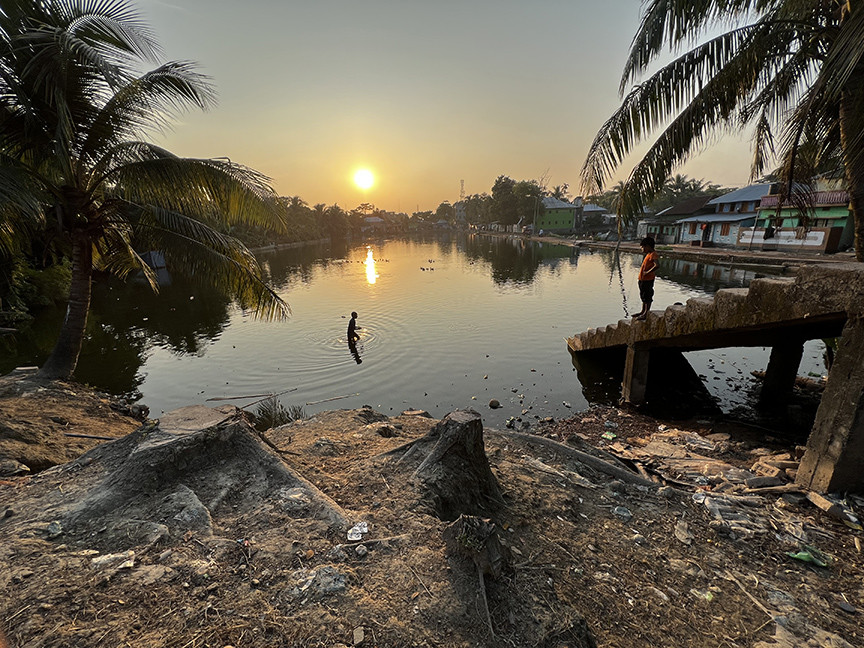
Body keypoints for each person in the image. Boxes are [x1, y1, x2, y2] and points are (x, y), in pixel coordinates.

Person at [633, 237, 658, 321]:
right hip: (643, 279)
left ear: (648, 246)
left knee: (647, 296)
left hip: (648, 279)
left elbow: (657, 265)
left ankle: (646, 313)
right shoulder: (648, 255)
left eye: (643, 247)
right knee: (643, 296)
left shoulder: (653, 254)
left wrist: (648, 272)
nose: (642, 249)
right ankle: (643, 311)